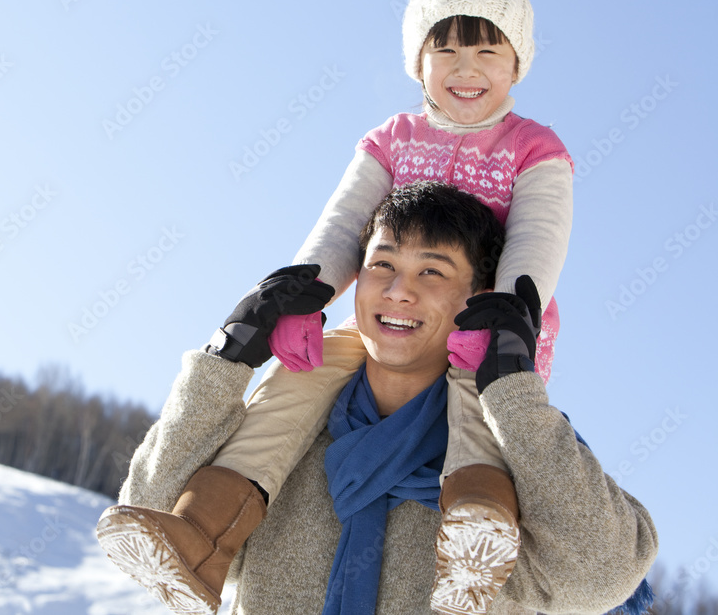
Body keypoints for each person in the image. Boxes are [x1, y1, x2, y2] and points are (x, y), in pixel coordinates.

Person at [97, 0, 580, 612]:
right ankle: (203, 533)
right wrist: (305, 295)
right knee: (294, 383)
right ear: (418, 62)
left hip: (485, 333)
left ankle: (476, 530)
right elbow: (344, 223)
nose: (466, 71)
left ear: (518, 61)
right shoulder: (392, 138)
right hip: (384, 330)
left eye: (488, 52)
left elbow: (538, 237)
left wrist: (510, 317)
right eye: (446, 52)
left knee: (477, 408)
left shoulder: (533, 147)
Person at [97, 182, 657, 615]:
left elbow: (601, 575)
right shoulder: (283, 441)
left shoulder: (514, 464)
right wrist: (227, 355)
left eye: (431, 271)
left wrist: (512, 388)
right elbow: (150, 510)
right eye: (382, 264)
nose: (398, 290)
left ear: (478, 302)